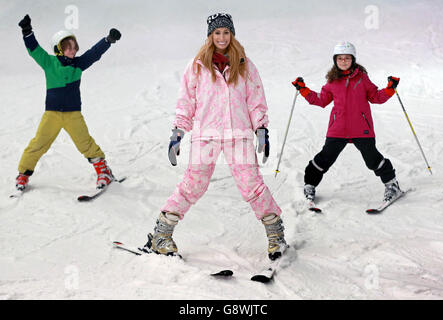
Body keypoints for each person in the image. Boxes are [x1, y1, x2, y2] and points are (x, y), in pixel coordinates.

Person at [142, 13, 287, 261]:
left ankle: (276, 235)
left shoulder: (244, 64)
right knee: (193, 184)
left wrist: (261, 129)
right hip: (206, 135)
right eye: (217, 33)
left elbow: (255, 100)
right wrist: (178, 132)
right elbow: (186, 102)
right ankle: (161, 234)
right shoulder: (197, 65)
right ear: (210, 36)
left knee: (252, 185)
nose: (222, 37)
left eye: (226, 32)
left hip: (238, 134)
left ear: (232, 35)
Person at [15, 14, 121, 191]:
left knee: (84, 143)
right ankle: (23, 174)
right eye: (68, 48)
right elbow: (34, 49)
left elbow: (94, 54)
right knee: (39, 143)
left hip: (73, 114)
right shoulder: (49, 62)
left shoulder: (78, 64)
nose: (73, 51)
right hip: (52, 114)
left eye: (74, 47)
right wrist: (27, 31)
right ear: (58, 49)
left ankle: (103, 171)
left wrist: (108, 40)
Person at [292, 41, 403, 204]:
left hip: (361, 128)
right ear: (335, 60)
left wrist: (390, 89)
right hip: (338, 129)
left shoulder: (362, 79)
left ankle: (392, 185)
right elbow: (321, 100)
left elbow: (375, 97)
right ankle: (310, 184)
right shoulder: (332, 81)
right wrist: (303, 90)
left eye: (347, 58)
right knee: (325, 158)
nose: (343, 61)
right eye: (340, 58)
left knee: (372, 159)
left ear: (353, 59)